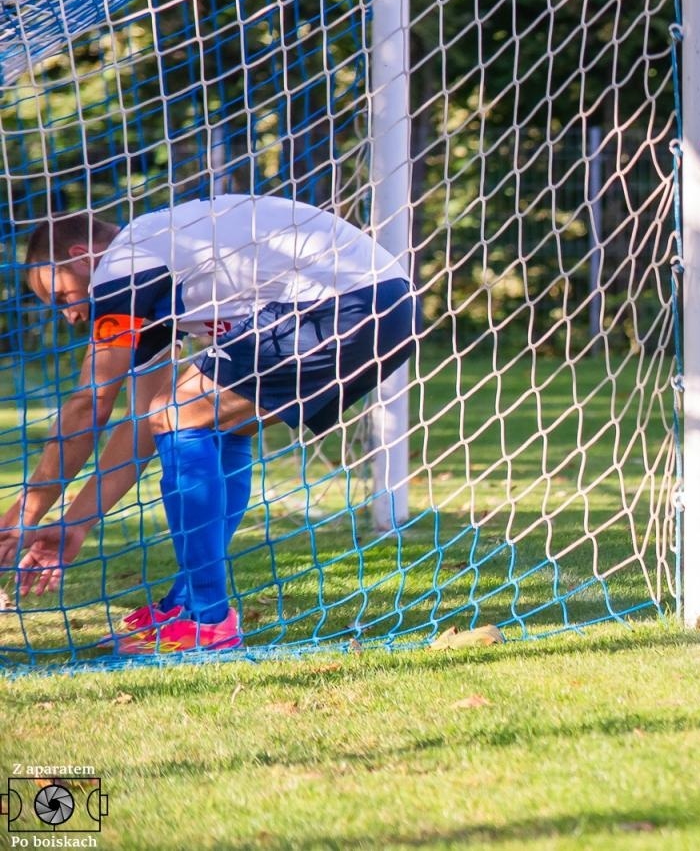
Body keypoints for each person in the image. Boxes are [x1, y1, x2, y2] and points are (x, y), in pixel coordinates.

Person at [0, 194, 418, 654]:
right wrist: (76, 523)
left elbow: (90, 404)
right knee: (199, 422)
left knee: (180, 413)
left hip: (340, 302)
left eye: (62, 297)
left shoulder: (122, 265)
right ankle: (186, 606)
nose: (71, 315)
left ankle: (207, 618)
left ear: (82, 258)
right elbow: (143, 422)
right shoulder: (161, 274)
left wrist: (25, 515)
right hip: (384, 304)